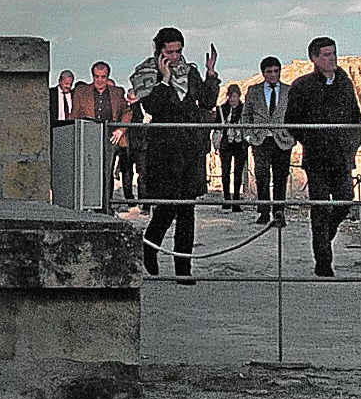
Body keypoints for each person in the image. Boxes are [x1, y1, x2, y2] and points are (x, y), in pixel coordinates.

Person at [129, 27, 220, 282]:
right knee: (167, 208)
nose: (175, 56)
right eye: (170, 51)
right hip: (165, 148)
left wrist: (211, 73)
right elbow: (152, 105)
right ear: (159, 50)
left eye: (178, 51)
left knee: (187, 209)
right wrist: (165, 79)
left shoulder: (190, 71)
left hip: (190, 146)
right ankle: (150, 245)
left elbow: (207, 101)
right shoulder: (147, 71)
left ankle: (183, 269)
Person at [285, 36, 361, 279]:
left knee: (345, 200)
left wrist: (353, 143)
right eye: (327, 55)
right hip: (317, 158)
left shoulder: (345, 83)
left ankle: (323, 237)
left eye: (334, 53)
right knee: (319, 208)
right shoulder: (302, 86)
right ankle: (323, 261)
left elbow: (355, 117)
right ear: (315, 58)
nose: (332, 59)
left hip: (341, 157)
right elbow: (292, 122)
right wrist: (311, 139)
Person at [248, 57, 295, 230]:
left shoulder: (288, 91)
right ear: (263, 73)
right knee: (261, 175)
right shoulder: (253, 91)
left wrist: (292, 136)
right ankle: (263, 211)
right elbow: (247, 114)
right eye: (269, 71)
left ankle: (279, 211)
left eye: (276, 71)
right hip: (261, 139)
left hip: (282, 140)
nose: (273, 75)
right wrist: (248, 135)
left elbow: (294, 114)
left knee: (280, 176)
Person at [94, 59, 140, 204]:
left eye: (103, 77)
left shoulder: (117, 95)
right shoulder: (87, 94)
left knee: (111, 171)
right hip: (92, 136)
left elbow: (127, 113)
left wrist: (121, 129)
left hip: (115, 139)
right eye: (97, 77)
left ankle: (108, 202)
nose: (100, 81)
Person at [216, 83, 251, 204]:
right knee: (225, 171)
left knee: (238, 172)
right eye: (231, 96)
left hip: (240, 144)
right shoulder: (221, 109)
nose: (233, 99)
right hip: (226, 144)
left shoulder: (245, 109)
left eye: (235, 96)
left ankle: (236, 200)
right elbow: (217, 126)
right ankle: (226, 199)